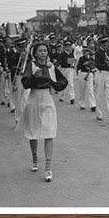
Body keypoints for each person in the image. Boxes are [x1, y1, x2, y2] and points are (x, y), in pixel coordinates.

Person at [20, 41, 69, 182]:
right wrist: (33, 76)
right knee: (33, 132)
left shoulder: (51, 67)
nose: (43, 53)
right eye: (40, 51)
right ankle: (35, 158)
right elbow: (25, 83)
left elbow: (61, 81)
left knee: (49, 132)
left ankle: (48, 167)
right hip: (34, 98)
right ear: (35, 53)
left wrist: (55, 84)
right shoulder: (31, 66)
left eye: (45, 51)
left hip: (47, 98)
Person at [94, 35, 109, 123]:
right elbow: (96, 64)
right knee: (99, 95)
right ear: (101, 44)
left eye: (107, 43)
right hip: (101, 73)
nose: (106, 45)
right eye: (104, 44)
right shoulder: (98, 52)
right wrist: (106, 65)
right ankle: (99, 113)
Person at [53, 38, 77, 105]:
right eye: (67, 46)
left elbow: (73, 61)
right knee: (63, 82)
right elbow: (58, 61)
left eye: (69, 46)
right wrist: (58, 65)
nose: (68, 47)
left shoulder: (71, 54)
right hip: (63, 69)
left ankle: (72, 97)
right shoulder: (62, 54)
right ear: (65, 47)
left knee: (70, 83)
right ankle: (61, 96)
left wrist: (73, 64)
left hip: (69, 69)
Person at [77, 39, 98, 111]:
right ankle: (82, 103)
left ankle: (93, 105)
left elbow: (94, 66)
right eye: (85, 52)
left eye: (88, 52)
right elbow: (78, 67)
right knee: (82, 90)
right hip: (83, 74)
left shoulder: (91, 58)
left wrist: (93, 68)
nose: (87, 53)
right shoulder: (81, 58)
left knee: (90, 90)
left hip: (90, 74)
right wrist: (84, 64)